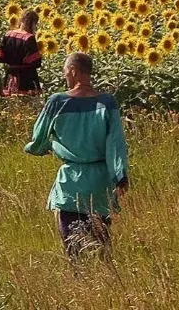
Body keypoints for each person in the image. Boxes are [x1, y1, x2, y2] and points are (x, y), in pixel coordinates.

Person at [24, 52, 129, 261]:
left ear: (73, 71)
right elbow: (116, 143)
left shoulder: (57, 101)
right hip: (100, 182)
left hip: (71, 181)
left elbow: (37, 139)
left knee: (72, 244)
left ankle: (79, 279)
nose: (65, 76)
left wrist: (42, 147)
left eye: (65, 72)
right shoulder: (107, 103)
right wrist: (120, 176)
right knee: (101, 244)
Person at [0, 10, 44, 97]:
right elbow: (35, 62)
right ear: (34, 24)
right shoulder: (29, 38)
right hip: (25, 78)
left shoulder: (8, 34)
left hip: (10, 76)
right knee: (25, 105)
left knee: (10, 104)